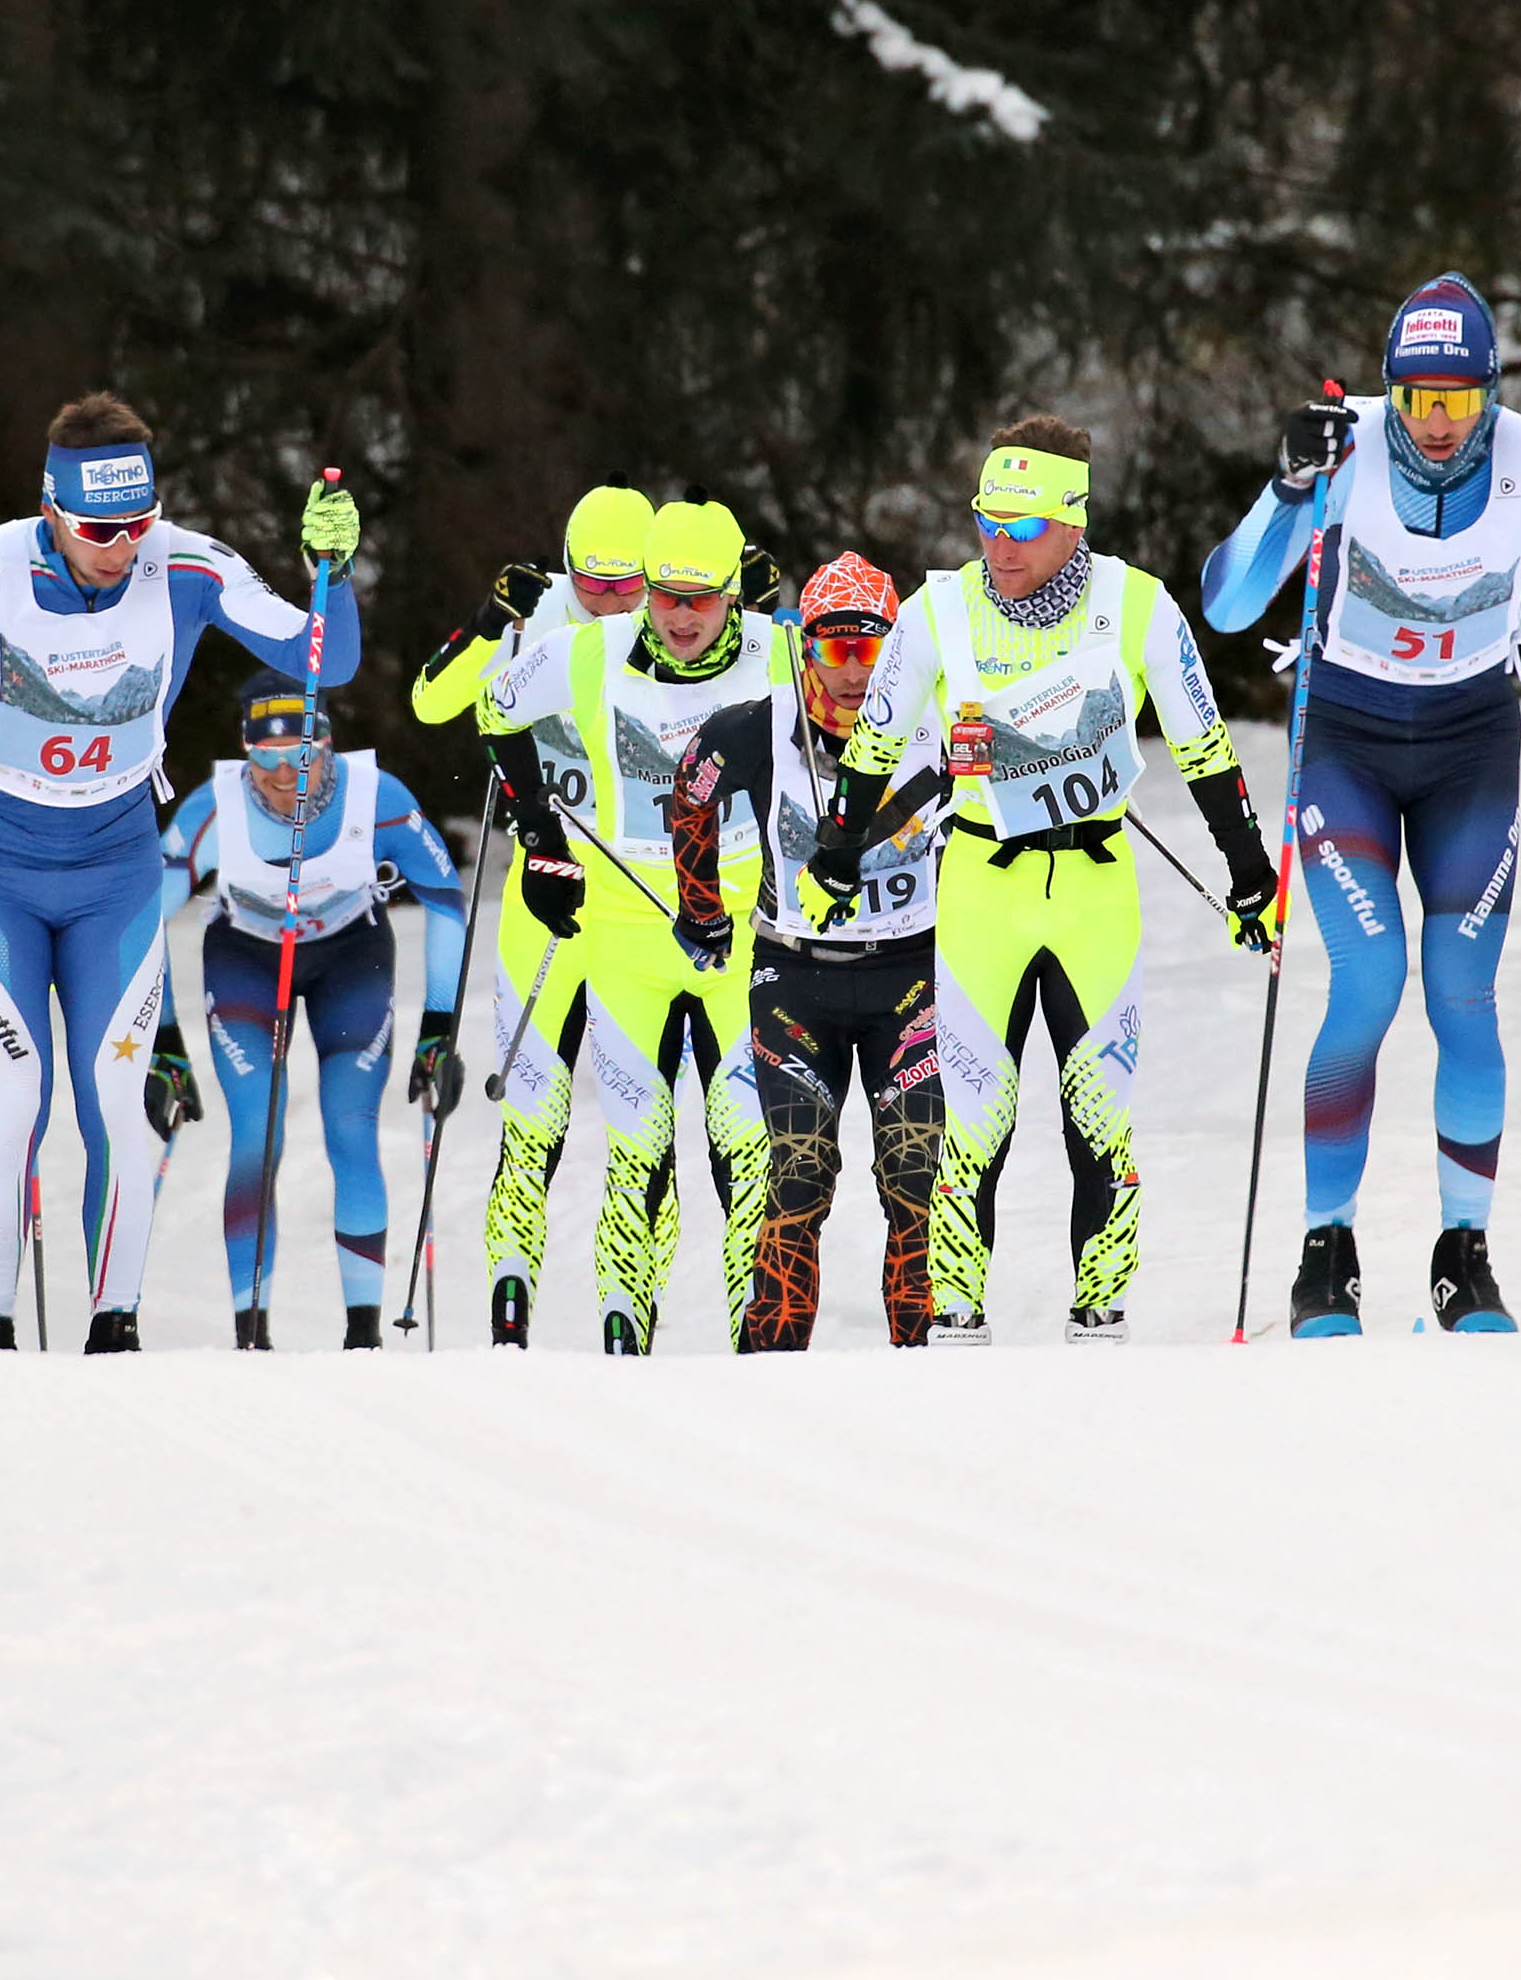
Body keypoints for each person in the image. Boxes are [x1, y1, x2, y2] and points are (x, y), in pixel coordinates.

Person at [1199, 273, 1521, 1334]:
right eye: (1417, 401)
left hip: (1471, 748)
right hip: (1347, 737)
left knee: (1462, 996)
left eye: (1459, 402)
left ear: (1489, 393)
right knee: (1369, 979)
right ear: (1392, 391)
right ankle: (1324, 1250)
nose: (1437, 427)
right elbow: (1229, 599)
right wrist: (1286, 489)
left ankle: (1462, 1254)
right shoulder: (1344, 456)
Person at [0, 393, 360, 1353]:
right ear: (51, 509)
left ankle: (114, 1323)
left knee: (118, 1103)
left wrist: (331, 572)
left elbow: (328, 659)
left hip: (116, 872)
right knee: (12, 1097)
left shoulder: (189, 564)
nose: (122, 546)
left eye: (139, 522)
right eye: (99, 528)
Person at [814, 417, 1278, 1346]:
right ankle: (956, 1313)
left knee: (1099, 1115)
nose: (999, 544)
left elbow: (1202, 745)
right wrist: (837, 845)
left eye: (1022, 528)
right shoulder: (939, 610)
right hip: (984, 880)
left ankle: (1098, 1311)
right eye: (988, 521)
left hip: (1096, 886)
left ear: (1073, 521)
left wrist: (1249, 870)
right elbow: (875, 742)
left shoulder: (1137, 604)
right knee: (978, 1118)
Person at [479, 501, 785, 1353]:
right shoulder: (587, 650)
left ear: (734, 594)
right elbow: (493, 714)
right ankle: (621, 1331)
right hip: (623, 926)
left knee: (747, 1141)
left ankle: (756, 1336)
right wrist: (539, 837)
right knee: (636, 1142)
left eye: (703, 599)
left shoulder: (778, 653)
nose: (681, 617)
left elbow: (859, 706)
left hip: (741, 932)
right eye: (664, 596)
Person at [666, 553, 944, 1348]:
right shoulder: (758, 727)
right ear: (806, 647)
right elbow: (688, 796)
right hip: (793, 979)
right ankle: (772, 1370)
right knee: (795, 1174)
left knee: (915, 1176)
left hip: (909, 977)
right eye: (836, 650)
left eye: (875, 651)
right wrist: (702, 910)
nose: (855, 673)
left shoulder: (939, 715)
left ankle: (929, 1369)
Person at [408, 482, 651, 1347]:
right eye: (597, 584)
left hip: (640, 903)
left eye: (633, 586)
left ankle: (630, 1310)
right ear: (570, 566)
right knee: (533, 1111)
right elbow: (432, 703)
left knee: (639, 1119)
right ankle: (510, 1307)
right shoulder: (534, 613)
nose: (614, 603)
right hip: (544, 893)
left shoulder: (682, 622)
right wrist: (482, 623)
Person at [159, 694, 468, 1347]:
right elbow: (134, 925)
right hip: (246, 961)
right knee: (256, 1138)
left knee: (351, 1132)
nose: (280, 776)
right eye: (263, 758)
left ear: (325, 750)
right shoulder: (210, 807)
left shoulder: (376, 796)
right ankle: (251, 1331)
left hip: (349, 961)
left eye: (300, 757)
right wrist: (163, 1040)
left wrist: (439, 1029)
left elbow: (445, 903)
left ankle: (364, 1332)